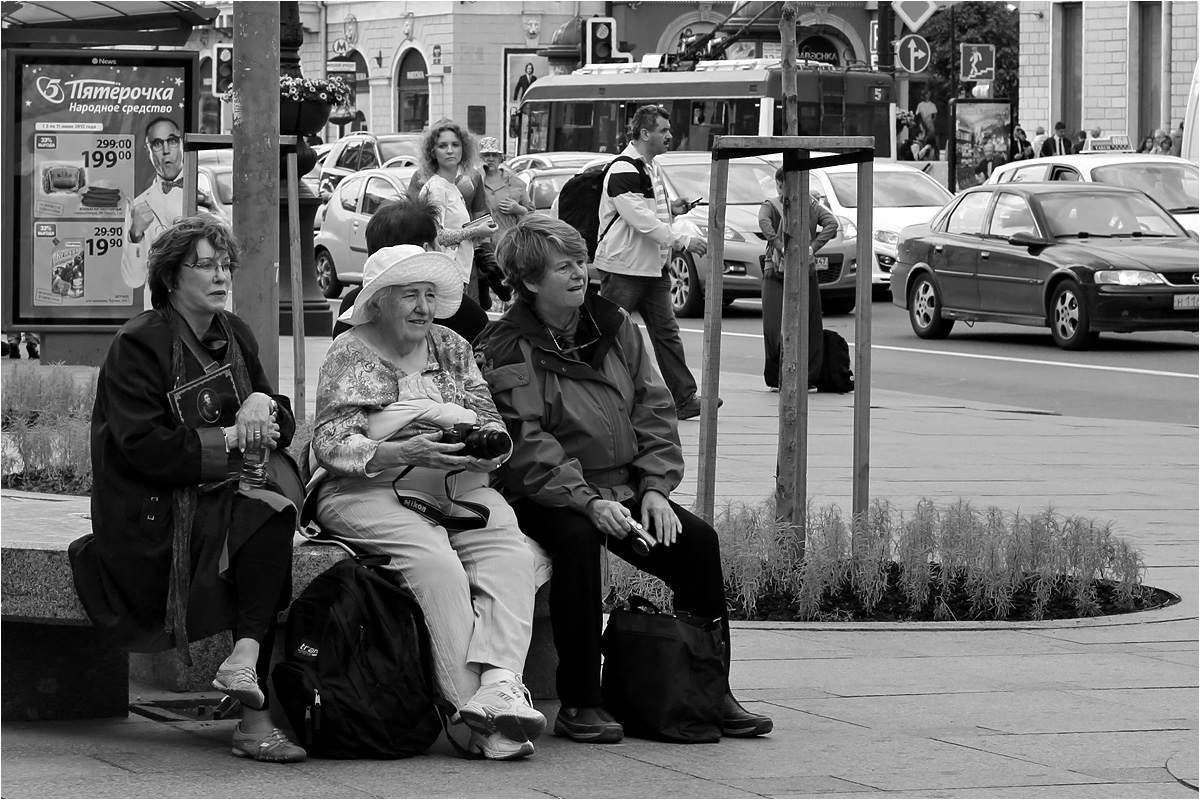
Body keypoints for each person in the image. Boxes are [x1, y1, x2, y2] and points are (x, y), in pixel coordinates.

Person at [474, 214, 774, 745]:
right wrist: (588, 502)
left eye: (580, 262)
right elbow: (525, 443)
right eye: (562, 267)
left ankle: (710, 688)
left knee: (697, 543)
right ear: (528, 282)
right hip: (545, 490)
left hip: (626, 483)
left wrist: (655, 486)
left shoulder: (615, 326)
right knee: (576, 540)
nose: (578, 274)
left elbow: (654, 408)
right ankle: (582, 700)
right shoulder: (504, 345)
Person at [69, 215, 306, 763]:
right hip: (151, 513)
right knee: (264, 520)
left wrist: (262, 406)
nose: (221, 276)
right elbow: (143, 449)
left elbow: (282, 423)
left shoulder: (234, 334)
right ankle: (253, 714)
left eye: (225, 264)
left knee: (264, 515)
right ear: (172, 277)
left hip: (228, 495)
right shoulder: (139, 343)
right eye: (206, 265)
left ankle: (246, 677)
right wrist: (228, 435)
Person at [311, 244, 546, 761]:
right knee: (437, 565)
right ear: (377, 303)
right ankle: (475, 720)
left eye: (429, 295)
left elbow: (491, 421)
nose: (423, 307)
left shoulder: (452, 346)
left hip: (454, 485)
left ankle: (500, 686)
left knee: (513, 552)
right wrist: (405, 448)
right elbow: (329, 444)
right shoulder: (349, 351)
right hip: (366, 488)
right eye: (409, 296)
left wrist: (482, 446)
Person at [593, 104, 716, 421]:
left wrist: (674, 209)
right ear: (644, 133)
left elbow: (651, 213)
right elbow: (640, 220)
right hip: (626, 268)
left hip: (652, 267)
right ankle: (589, 392)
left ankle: (684, 398)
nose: (670, 135)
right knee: (607, 333)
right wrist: (682, 240)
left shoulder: (650, 167)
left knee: (666, 334)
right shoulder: (623, 169)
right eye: (664, 130)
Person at [331, 194, 489, 342]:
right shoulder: (467, 316)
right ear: (427, 249)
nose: (423, 309)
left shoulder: (353, 305)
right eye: (439, 242)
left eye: (429, 296)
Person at [122, 117, 220, 309]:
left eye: (172, 141)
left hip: (201, 309)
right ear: (148, 150)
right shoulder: (139, 205)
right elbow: (133, 279)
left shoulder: (205, 191)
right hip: (160, 313)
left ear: (181, 143)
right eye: (157, 144)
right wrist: (136, 235)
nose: (166, 150)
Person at [758, 168, 838, 392]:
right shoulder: (809, 204)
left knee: (774, 326)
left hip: (775, 270)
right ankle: (808, 377)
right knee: (810, 322)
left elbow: (764, 224)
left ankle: (776, 377)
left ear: (780, 183)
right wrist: (813, 248)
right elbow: (832, 224)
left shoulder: (772, 205)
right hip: (806, 269)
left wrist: (778, 245)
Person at [407, 119, 500, 309]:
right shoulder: (436, 188)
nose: (450, 150)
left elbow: (456, 233)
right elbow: (437, 236)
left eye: (455, 145)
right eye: (443, 146)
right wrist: (474, 232)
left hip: (459, 276)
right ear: (432, 152)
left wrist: (479, 233)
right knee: (474, 324)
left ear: (463, 149)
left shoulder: (451, 187)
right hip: (445, 278)